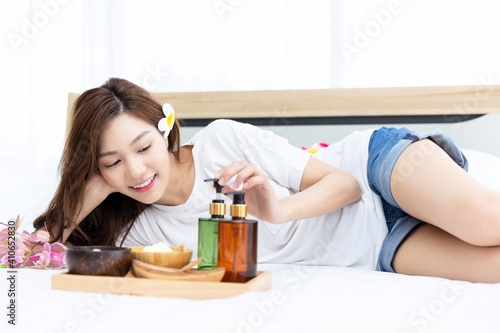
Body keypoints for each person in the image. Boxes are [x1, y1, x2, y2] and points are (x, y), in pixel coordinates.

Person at [34, 77, 500, 283]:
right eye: (112, 161)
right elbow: (32, 251)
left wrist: (275, 210)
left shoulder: (221, 142)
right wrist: (92, 185)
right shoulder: (141, 230)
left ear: (166, 131)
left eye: (142, 148)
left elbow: (345, 187)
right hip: (372, 247)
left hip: (375, 169)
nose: (136, 171)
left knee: (486, 225)